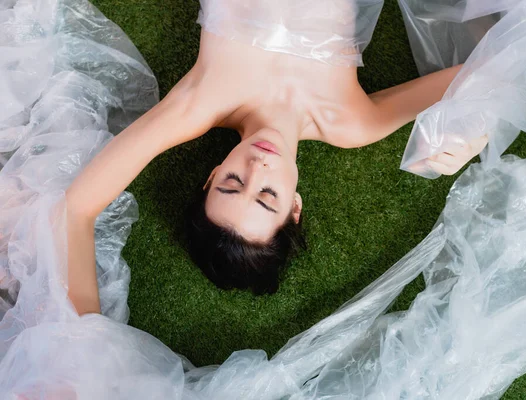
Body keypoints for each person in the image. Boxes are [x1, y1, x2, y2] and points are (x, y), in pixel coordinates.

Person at [66, 0, 488, 297]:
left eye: (233, 183)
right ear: (295, 207)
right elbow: (479, 72)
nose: (259, 166)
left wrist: (85, 354)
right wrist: (475, 130)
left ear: (212, 174)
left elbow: (77, 209)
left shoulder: (200, 103)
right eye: (267, 196)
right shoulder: (350, 124)